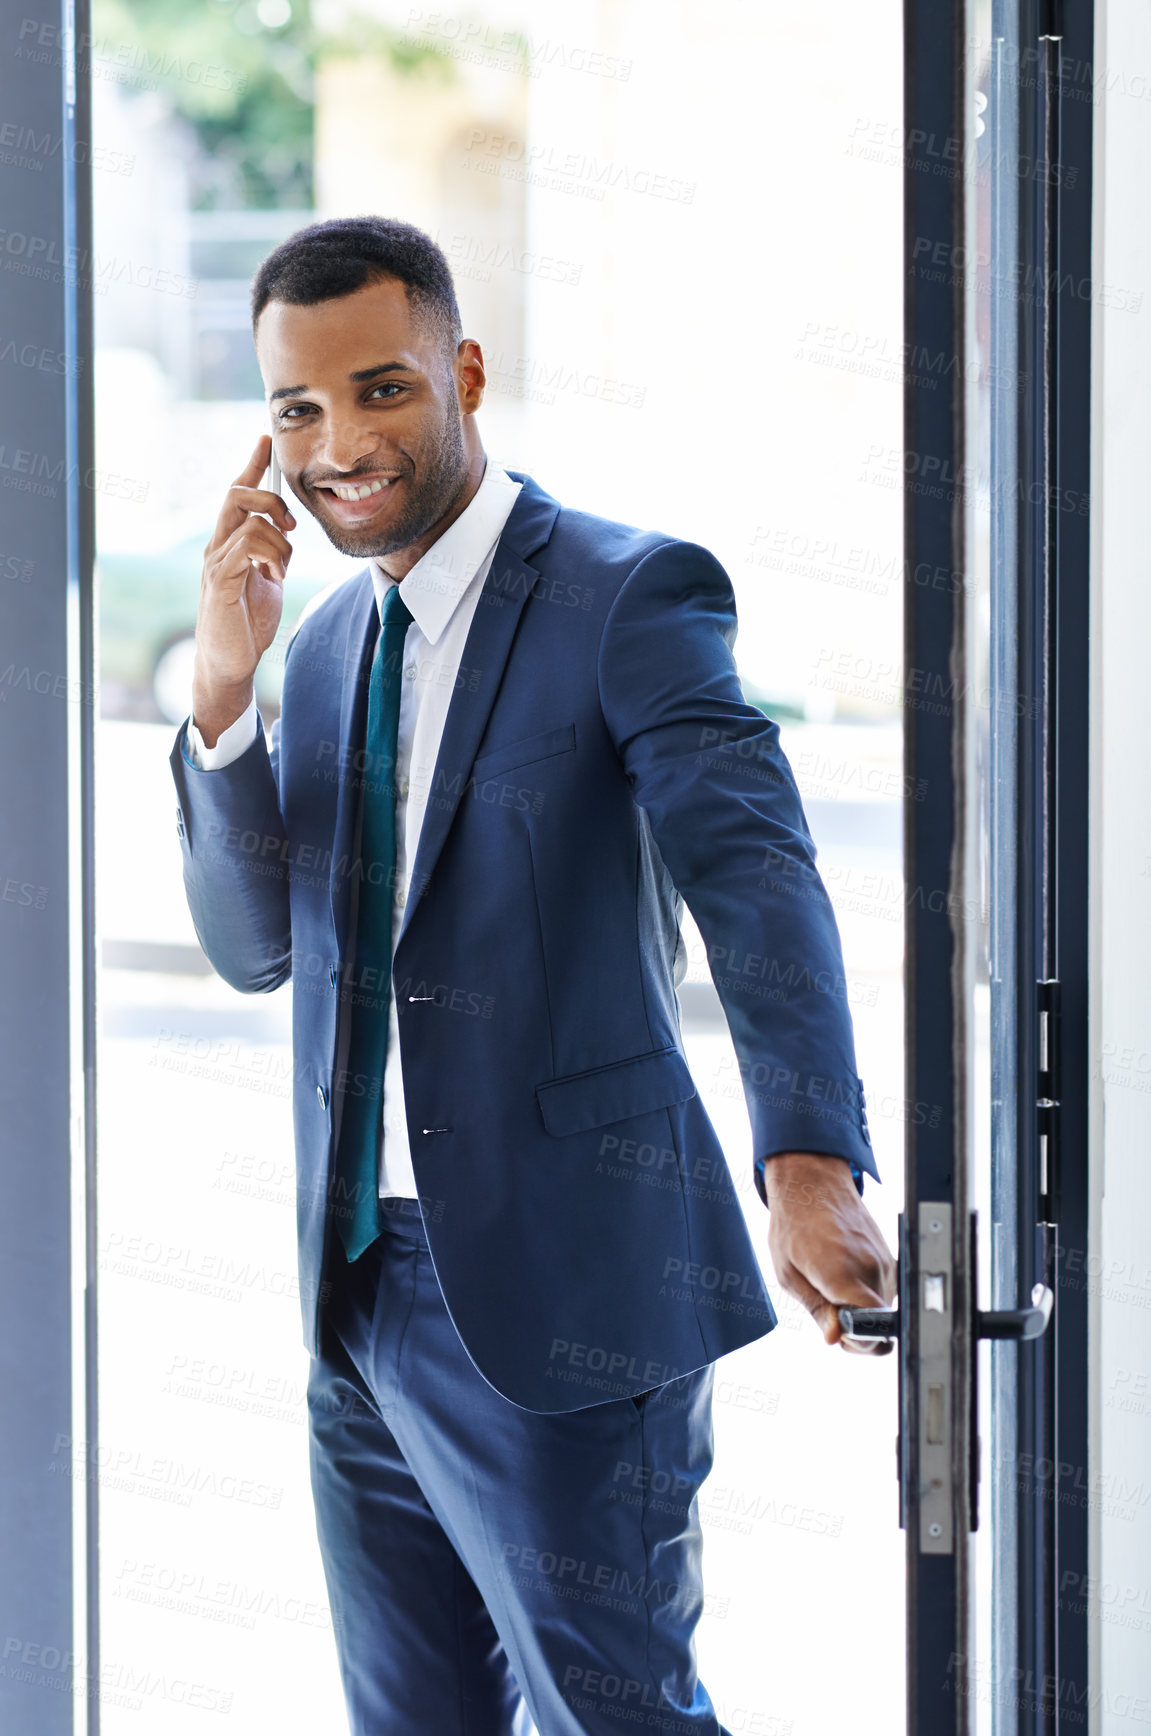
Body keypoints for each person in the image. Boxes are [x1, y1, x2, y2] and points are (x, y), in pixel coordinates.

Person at [171, 216, 896, 1736]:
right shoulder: (313, 651)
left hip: (568, 1293)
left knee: (612, 1713)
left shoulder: (630, 596)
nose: (340, 445)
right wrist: (224, 696)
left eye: (381, 390)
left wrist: (810, 1161)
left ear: (466, 372)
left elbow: (757, 877)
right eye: (298, 410)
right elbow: (253, 953)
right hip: (356, 1295)